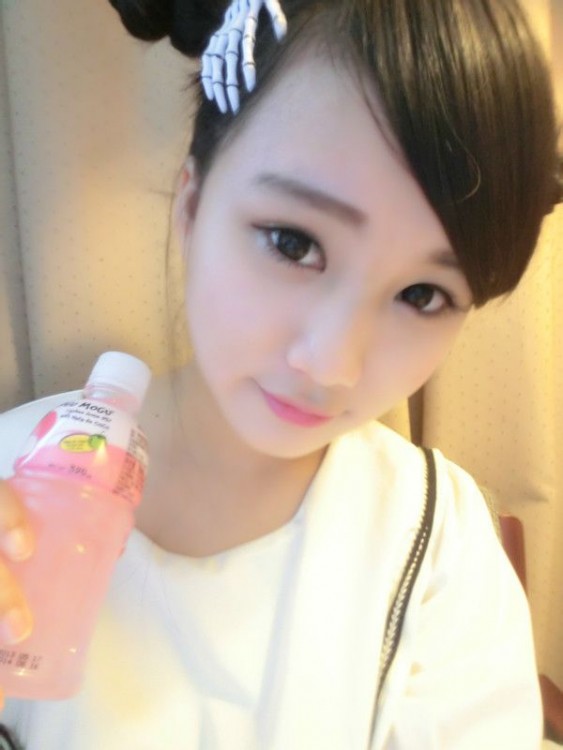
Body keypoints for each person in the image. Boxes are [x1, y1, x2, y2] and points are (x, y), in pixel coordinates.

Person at [0, 0, 560, 747]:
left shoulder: (438, 548)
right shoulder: (13, 478)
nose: (332, 364)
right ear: (192, 205)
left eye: (423, 295)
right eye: (294, 243)